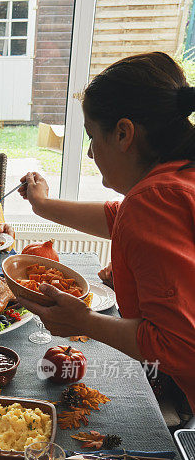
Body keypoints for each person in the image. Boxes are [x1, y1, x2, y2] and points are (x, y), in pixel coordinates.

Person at [17, 52, 195, 414]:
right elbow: (119, 218)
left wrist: (83, 323)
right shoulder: (175, 182)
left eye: (92, 136)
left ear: (123, 133)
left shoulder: (154, 199)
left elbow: (178, 346)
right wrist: (43, 206)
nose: (90, 152)